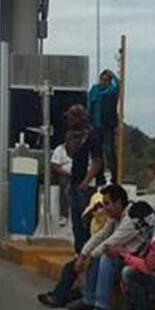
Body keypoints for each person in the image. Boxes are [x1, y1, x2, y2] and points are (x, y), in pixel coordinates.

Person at [70, 183, 148, 310]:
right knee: (97, 255)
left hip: (140, 260)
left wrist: (90, 257)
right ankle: (88, 300)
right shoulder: (116, 216)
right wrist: (83, 255)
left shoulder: (132, 218)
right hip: (125, 253)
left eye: (107, 204)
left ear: (118, 203)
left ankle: (102, 307)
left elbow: (111, 241)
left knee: (105, 257)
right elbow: (101, 235)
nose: (104, 208)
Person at [36, 187, 111, 308]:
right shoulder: (93, 223)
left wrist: (88, 257)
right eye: (95, 208)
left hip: (102, 255)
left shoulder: (110, 222)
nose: (98, 211)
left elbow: (108, 243)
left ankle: (63, 297)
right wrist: (81, 256)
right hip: (91, 254)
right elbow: (92, 241)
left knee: (88, 266)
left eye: (101, 207)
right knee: (70, 267)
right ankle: (60, 296)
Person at [63, 104, 103, 252]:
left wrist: (86, 181)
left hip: (85, 183)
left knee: (85, 220)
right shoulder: (72, 136)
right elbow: (71, 154)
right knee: (75, 222)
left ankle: (87, 252)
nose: (68, 121)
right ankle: (79, 251)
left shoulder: (92, 136)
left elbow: (97, 161)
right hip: (75, 181)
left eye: (71, 118)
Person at [88, 69, 120, 184]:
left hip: (107, 126)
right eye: (102, 79)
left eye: (106, 80)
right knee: (97, 153)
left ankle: (115, 176)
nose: (103, 82)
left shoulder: (112, 91)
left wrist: (112, 74)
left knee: (109, 152)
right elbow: (89, 104)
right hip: (96, 126)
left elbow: (119, 85)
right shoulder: (94, 90)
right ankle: (99, 177)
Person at [50, 142, 73, 227]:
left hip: (81, 175)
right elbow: (54, 165)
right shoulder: (60, 149)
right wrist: (67, 174)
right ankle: (64, 215)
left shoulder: (85, 148)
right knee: (65, 188)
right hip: (65, 175)